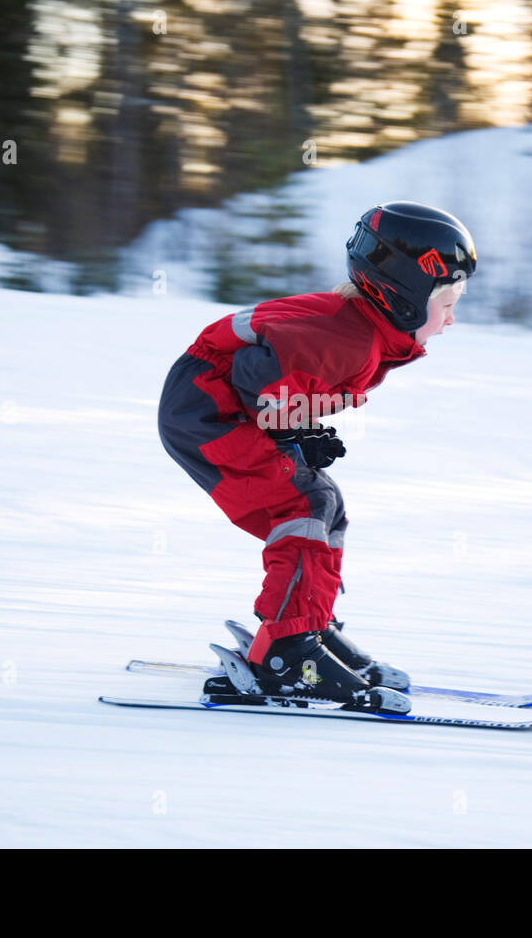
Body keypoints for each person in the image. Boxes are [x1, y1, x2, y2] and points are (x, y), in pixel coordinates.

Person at [157, 201, 477, 711]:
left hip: (210, 403)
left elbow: (271, 376)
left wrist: (295, 428)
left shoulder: (359, 328)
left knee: (322, 502)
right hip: (206, 412)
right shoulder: (348, 342)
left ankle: (309, 627)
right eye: (447, 304)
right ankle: (286, 655)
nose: (452, 320)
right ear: (408, 300)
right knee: (303, 508)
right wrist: (288, 428)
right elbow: (250, 378)